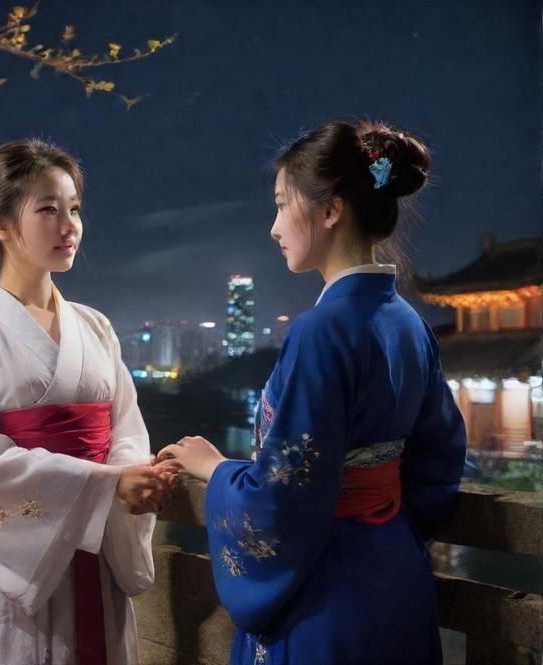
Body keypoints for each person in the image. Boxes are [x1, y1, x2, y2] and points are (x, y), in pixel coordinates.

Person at [157, 120, 467, 665]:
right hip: (396, 572)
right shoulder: (407, 322)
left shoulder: (321, 330)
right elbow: (441, 457)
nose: (274, 227)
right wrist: (385, 523)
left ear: (331, 210)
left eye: (282, 205)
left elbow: (285, 492)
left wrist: (217, 470)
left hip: (327, 588)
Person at [0, 139, 168, 665]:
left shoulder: (96, 326)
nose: (69, 226)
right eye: (48, 210)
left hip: (96, 549)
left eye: (74, 209)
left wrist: (130, 477)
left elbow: (127, 427)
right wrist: (106, 484)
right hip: (14, 571)